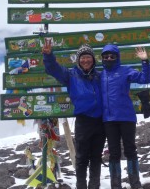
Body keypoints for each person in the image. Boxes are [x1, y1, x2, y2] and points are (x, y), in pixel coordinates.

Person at [42, 42, 105, 189]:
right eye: (82, 57)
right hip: (83, 121)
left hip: (101, 121)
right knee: (82, 158)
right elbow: (53, 69)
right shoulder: (71, 75)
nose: (85, 60)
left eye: (88, 57)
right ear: (78, 60)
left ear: (93, 60)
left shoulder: (100, 76)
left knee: (96, 157)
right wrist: (48, 56)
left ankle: (94, 186)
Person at [100, 44, 150, 189]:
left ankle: (135, 184)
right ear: (102, 58)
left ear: (117, 57)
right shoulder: (99, 74)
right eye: (106, 56)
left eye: (112, 56)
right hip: (109, 120)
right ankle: (115, 185)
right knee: (114, 154)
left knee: (130, 150)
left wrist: (145, 61)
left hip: (126, 117)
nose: (109, 58)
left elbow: (146, 79)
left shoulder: (125, 70)